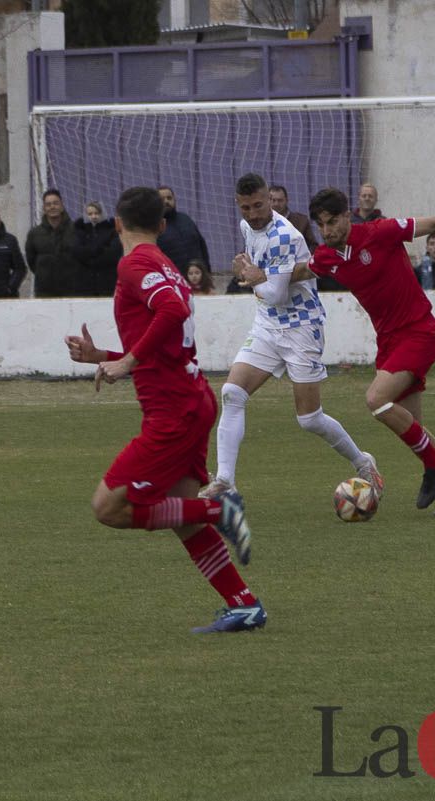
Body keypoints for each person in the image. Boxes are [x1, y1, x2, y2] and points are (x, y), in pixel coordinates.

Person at [236, 187, 435, 515]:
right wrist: (261, 275)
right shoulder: (327, 257)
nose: (327, 231)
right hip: (388, 342)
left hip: (419, 332)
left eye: (333, 222)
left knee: (376, 400)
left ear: (348, 215)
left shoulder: (381, 232)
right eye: (321, 225)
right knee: (414, 426)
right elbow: (300, 271)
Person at [63, 185, 263, 635]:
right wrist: (105, 357)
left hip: (173, 409)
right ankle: (244, 604)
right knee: (180, 516)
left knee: (109, 507)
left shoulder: (135, 263)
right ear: (162, 226)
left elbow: (170, 312)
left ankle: (221, 511)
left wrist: (128, 361)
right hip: (189, 399)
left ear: (117, 223)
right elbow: (166, 336)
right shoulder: (167, 266)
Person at [197, 173, 382, 502]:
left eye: (258, 205)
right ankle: (225, 480)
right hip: (267, 327)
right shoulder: (246, 228)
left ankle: (363, 462)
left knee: (309, 419)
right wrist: (255, 274)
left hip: (300, 328)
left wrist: (251, 276)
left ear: (270, 199)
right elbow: (268, 295)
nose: (253, 214)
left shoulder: (284, 235)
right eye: (245, 208)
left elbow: (276, 294)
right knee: (231, 393)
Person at [26, 189, 82, 297]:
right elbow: (31, 261)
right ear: (44, 208)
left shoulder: (77, 230)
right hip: (44, 291)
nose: (52, 207)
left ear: (62, 206)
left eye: (56, 203)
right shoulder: (34, 233)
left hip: (72, 290)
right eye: (48, 204)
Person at [157, 185, 210, 273]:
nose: (166, 201)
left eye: (169, 198)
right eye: (162, 199)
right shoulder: (154, 227)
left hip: (196, 280)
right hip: (172, 280)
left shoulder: (186, 219)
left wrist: (207, 272)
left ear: (174, 200)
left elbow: (202, 245)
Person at [73, 201, 121, 296]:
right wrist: (96, 250)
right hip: (86, 282)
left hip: (107, 281)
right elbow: (77, 251)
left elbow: (113, 253)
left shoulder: (111, 231)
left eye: (97, 213)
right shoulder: (81, 231)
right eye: (90, 214)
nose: (94, 216)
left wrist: (93, 254)